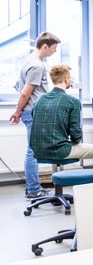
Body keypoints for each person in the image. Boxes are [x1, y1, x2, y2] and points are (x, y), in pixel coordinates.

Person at [9, 32, 60, 199]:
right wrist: (17, 112)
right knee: (33, 151)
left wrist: (19, 112)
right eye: (53, 48)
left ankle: (33, 187)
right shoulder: (37, 65)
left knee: (33, 150)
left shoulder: (28, 60)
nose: (54, 51)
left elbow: (23, 88)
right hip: (33, 112)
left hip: (31, 111)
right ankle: (33, 190)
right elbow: (25, 93)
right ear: (45, 46)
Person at [29, 65, 93, 170]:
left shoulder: (39, 99)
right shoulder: (73, 101)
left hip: (38, 150)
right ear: (66, 79)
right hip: (59, 150)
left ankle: (57, 182)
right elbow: (76, 136)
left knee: (58, 143)